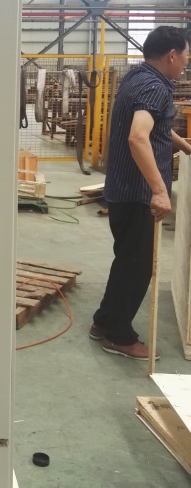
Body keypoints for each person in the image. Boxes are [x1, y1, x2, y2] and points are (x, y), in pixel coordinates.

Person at [91, 25, 191, 360]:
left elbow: (154, 124)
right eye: (186, 56)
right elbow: (138, 136)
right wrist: (160, 190)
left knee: (126, 261)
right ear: (172, 55)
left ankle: (103, 322)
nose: (186, 63)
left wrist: (183, 145)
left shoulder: (137, 77)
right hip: (138, 194)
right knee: (138, 268)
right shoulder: (155, 88)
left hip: (121, 188)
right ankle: (119, 336)